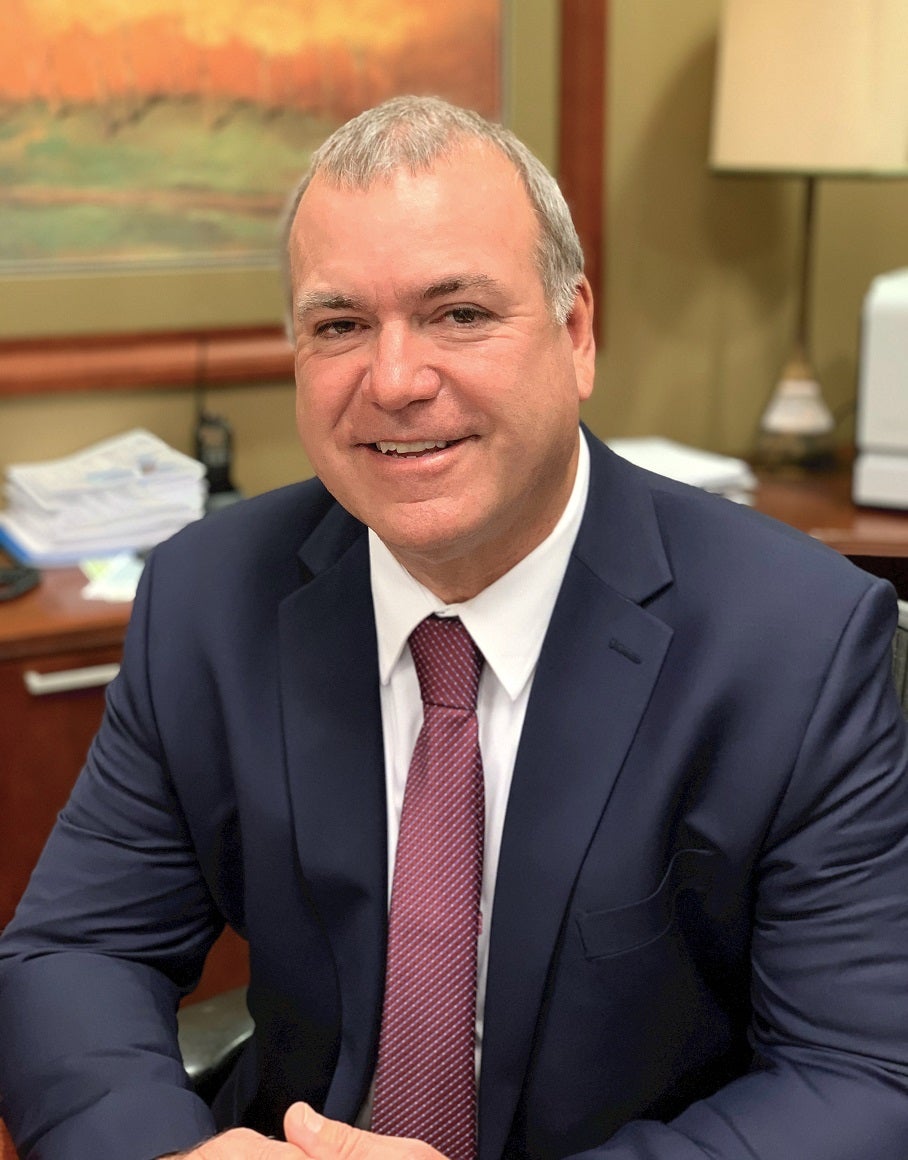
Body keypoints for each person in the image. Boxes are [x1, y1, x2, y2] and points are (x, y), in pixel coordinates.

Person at [1, 95, 908, 1160]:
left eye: (458, 313)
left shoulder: (793, 639)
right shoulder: (209, 595)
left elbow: (855, 1075)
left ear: (575, 335)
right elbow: (73, 948)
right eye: (339, 325)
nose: (393, 381)